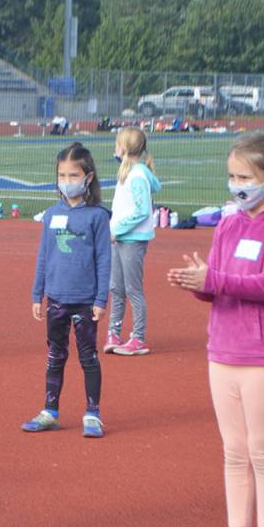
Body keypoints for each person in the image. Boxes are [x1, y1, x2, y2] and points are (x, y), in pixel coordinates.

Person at [169, 133, 264, 527]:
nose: (236, 185)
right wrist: (197, 281)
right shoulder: (228, 223)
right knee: (234, 452)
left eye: (244, 177)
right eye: (232, 176)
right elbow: (218, 285)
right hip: (224, 349)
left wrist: (215, 278)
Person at [22, 143, 111, 437]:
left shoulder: (97, 216)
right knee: (55, 356)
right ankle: (50, 410)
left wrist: (100, 299)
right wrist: (38, 293)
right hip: (56, 300)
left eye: (73, 174)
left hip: (85, 301)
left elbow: (104, 259)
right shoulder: (50, 215)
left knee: (88, 357)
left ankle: (93, 413)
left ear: (88, 178)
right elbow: (43, 256)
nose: (67, 180)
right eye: (62, 174)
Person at [106, 126, 160, 356]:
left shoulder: (137, 175)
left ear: (125, 148)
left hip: (131, 239)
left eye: (118, 144)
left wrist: (117, 228)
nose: (115, 148)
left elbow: (142, 211)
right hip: (120, 238)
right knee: (116, 287)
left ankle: (138, 337)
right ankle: (113, 332)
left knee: (132, 289)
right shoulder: (130, 172)